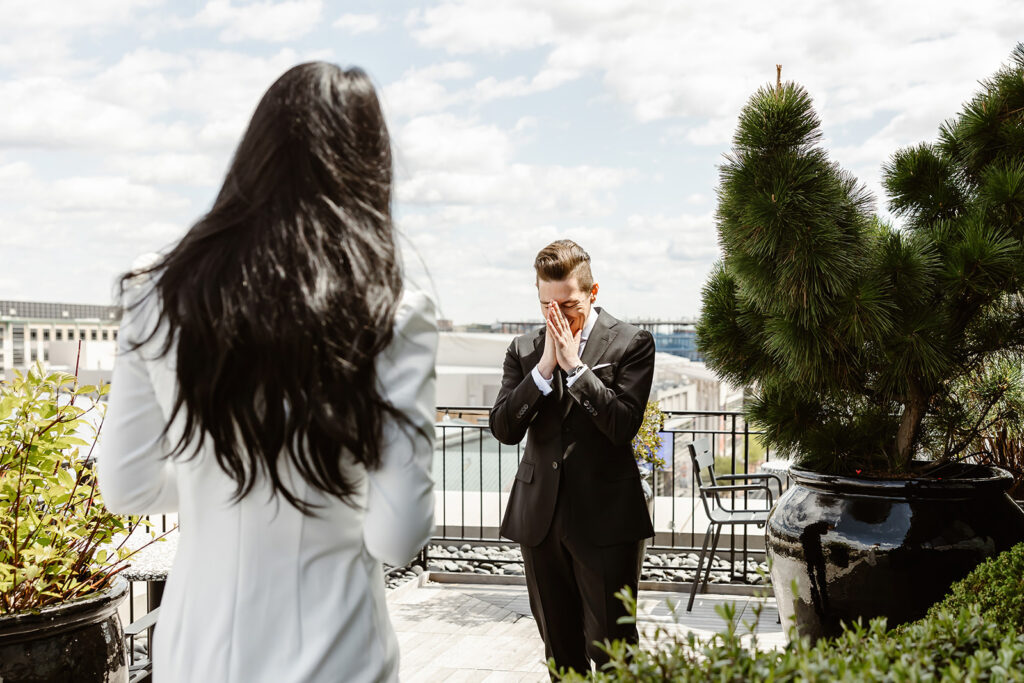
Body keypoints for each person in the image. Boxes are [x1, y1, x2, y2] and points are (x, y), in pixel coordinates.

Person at [99, 62, 437, 683]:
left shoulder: (157, 292)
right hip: (338, 655)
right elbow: (397, 535)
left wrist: (218, 477)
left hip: (194, 654)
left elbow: (127, 488)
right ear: (368, 166)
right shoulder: (393, 309)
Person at [489, 240, 656, 676]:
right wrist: (544, 370)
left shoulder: (632, 343)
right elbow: (505, 429)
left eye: (568, 305)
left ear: (593, 292)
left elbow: (622, 426)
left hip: (605, 520)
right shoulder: (524, 349)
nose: (557, 317)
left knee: (614, 651)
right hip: (539, 520)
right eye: (547, 306)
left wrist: (576, 369)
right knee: (560, 652)